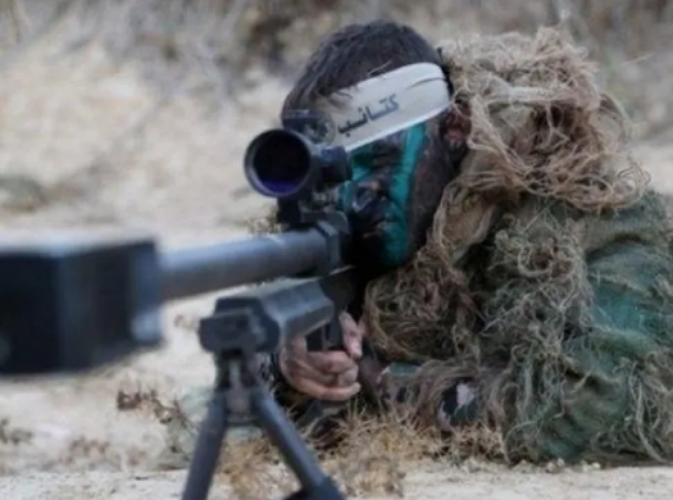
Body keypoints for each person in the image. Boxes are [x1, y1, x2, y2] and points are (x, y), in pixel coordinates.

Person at [249, 19, 673, 466]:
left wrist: (380, 383)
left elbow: (595, 410)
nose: (357, 198)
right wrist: (288, 366)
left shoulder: (586, 215)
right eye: (337, 181)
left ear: (454, 131)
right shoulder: (344, 236)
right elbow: (229, 390)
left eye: (380, 161)